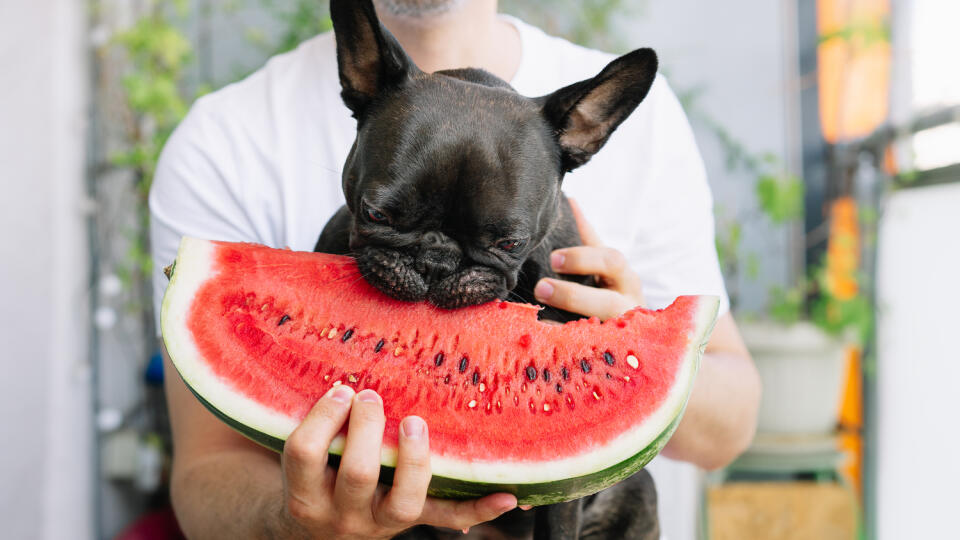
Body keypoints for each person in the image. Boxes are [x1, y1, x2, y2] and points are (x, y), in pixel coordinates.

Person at [150, 1, 761, 537]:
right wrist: (293, 523)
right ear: (357, 78)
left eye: (501, 241)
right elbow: (207, 467)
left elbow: (730, 429)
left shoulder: (652, 134)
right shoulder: (222, 140)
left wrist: (638, 355)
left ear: (584, 139)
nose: (437, 267)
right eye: (385, 215)